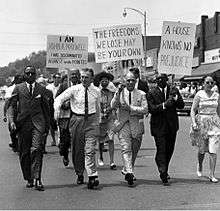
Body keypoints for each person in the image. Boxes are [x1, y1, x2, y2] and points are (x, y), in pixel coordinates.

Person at [54, 68, 100, 189]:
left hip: (91, 121)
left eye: (86, 77)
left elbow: (98, 107)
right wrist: (57, 110)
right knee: (77, 149)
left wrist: (98, 122)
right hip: (77, 121)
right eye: (82, 77)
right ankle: (79, 172)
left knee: (90, 149)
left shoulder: (96, 91)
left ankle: (92, 175)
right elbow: (59, 99)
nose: (84, 79)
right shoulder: (74, 89)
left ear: (92, 78)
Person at [8, 66, 50, 191]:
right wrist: (11, 121)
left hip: (38, 124)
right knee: (24, 152)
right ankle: (29, 178)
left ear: (36, 75)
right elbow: (11, 106)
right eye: (28, 73)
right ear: (24, 75)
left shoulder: (41, 89)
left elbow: (46, 109)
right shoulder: (18, 88)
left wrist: (47, 126)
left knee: (37, 149)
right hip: (23, 124)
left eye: (33, 73)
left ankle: (37, 178)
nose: (31, 75)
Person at [111, 72, 148, 186]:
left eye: (132, 80)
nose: (130, 82)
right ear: (125, 81)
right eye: (128, 80)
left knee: (135, 148)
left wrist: (130, 108)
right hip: (123, 124)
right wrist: (117, 92)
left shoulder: (141, 94)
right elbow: (113, 105)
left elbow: (145, 109)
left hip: (136, 123)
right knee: (126, 148)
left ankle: (127, 168)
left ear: (135, 81)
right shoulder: (120, 93)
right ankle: (130, 172)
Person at [147, 74, 184, 186]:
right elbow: (151, 109)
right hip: (158, 126)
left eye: (162, 79)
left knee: (169, 149)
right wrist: (164, 105)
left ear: (166, 80)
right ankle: (162, 171)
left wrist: (176, 100)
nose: (159, 81)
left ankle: (165, 168)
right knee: (161, 148)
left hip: (171, 125)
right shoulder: (151, 93)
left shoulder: (174, 90)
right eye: (157, 79)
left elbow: (181, 106)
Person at [190, 76, 220, 183]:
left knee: (213, 150)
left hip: (214, 123)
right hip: (202, 122)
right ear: (203, 83)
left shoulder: (217, 95)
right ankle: (200, 164)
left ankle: (212, 174)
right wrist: (194, 122)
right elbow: (193, 110)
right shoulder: (199, 94)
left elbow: (219, 111)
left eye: (212, 82)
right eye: (207, 82)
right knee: (202, 149)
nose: (210, 84)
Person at [55, 69, 81, 167]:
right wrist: (64, 104)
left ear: (78, 76)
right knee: (65, 141)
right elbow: (57, 99)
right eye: (72, 74)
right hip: (65, 117)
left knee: (77, 140)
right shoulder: (64, 86)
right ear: (69, 76)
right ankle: (65, 155)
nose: (74, 76)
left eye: (75, 74)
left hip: (78, 116)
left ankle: (78, 161)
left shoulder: (82, 86)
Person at [94, 71, 117, 169]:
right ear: (100, 82)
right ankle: (101, 156)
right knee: (101, 140)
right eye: (102, 80)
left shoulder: (112, 92)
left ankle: (112, 161)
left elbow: (115, 103)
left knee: (111, 139)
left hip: (110, 118)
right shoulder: (96, 92)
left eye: (106, 80)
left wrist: (111, 109)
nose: (104, 82)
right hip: (100, 119)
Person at [3, 74, 24, 152]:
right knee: (12, 129)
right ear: (16, 80)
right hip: (13, 109)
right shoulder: (10, 89)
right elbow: (7, 103)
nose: (21, 81)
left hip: (22, 110)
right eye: (19, 80)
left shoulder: (25, 87)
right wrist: (5, 114)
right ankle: (14, 142)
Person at [36, 77, 55, 154]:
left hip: (47, 115)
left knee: (45, 131)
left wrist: (52, 116)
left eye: (42, 83)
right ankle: (39, 146)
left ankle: (43, 147)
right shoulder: (34, 92)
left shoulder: (49, 93)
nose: (41, 85)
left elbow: (51, 104)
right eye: (40, 83)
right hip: (37, 115)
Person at [46, 73, 61, 146]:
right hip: (51, 106)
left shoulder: (61, 87)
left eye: (59, 78)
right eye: (56, 78)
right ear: (54, 78)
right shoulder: (49, 87)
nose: (58, 79)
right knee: (51, 125)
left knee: (59, 123)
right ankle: (53, 140)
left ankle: (59, 139)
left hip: (59, 106)